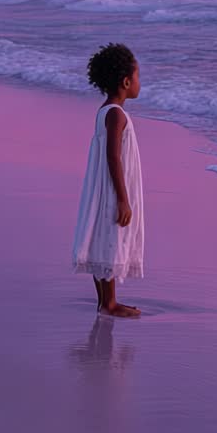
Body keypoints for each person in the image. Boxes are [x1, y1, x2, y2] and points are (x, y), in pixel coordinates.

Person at [72, 43, 145, 317]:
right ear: (126, 82)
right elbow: (113, 156)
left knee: (102, 237)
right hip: (113, 187)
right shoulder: (116, 114)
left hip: (104, 186)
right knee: (111, 238)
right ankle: (110, 303)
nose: (139, 82)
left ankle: (105, 301)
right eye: (137, 77)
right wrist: (123, 199)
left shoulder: (105, 110)